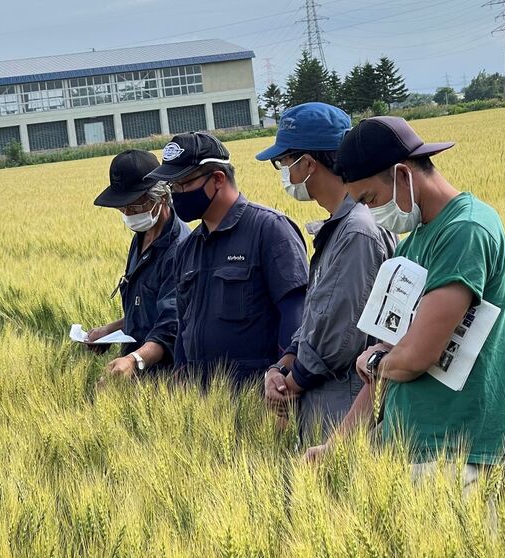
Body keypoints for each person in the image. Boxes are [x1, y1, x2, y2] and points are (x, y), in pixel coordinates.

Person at [305, 116, 505, 478]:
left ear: (403, 174)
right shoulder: (410, 247)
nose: (372, 213)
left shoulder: (465, 231)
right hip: (409, 449)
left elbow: (413, 357)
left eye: (371, 198)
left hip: (462, 453)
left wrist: (379, 361)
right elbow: (385, 366)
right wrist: (336, 445)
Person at [256, 103, 396, 439]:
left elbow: (339, 333)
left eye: (284, 161)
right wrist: (284, 363)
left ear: (307, 163)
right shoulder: (341, 226)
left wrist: (292, 382)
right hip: (327, 403)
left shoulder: (357, 230)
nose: (284, 171)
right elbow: (317, 316)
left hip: (344, 409)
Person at [145, 132, 309, 386]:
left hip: (257, 398)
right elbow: (183, 325)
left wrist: (283, 381)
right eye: (172, 187)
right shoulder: (188, 248)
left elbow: (296, 316)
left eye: (183, 184)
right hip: (201, 404)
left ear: (217, 179)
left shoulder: (270, 231)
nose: (176, 194)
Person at [86, 150, 189, 380]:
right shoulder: (142, 235)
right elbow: (145, 309)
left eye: (133, 207)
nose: (127, 214)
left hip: (167, 376)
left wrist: (134, 360)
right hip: (137, 368)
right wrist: (108, 331)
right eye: (122, 208)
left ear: (160, 196)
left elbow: (171, 324)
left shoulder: (179, 248)